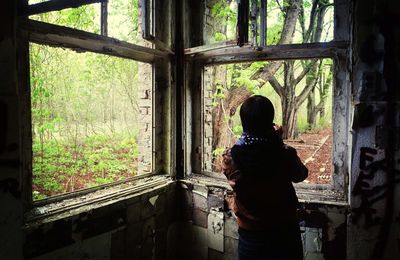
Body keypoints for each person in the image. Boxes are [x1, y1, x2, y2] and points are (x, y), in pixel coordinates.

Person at [221, 95, 308, 260]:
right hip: (285, 234)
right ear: (270, 121)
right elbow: (301, 175)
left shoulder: (229, 159)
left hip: (251, 236)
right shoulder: (285, 154)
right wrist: (277, 140)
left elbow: (248, 152)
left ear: (243, 122)